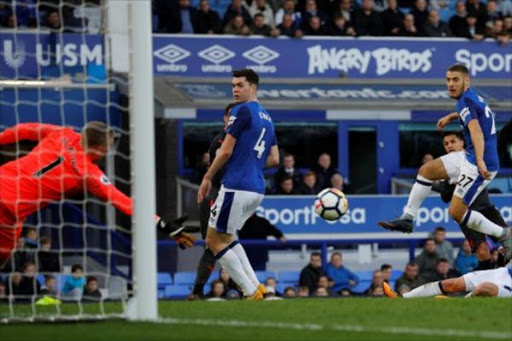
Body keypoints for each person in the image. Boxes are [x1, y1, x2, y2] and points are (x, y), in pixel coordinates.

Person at [0, 121, 194, 269]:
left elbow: (24, 129)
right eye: (108, 147)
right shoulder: (89, 174)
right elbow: (124, 202)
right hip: (9, 211)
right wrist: (162, 224)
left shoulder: (63, 133)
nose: (107, 151)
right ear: (99, 150)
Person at [378, 64, 512, 262]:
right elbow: (477, 117)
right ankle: (408, 218)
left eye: (455, 80)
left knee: (456, 212)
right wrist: (451, 116)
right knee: (426, 170)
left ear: (466, 81)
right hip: (470, 156)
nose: (450, 84)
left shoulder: (465, 100)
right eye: (448, 80)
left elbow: (476, 132)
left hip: (478, 163)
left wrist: (481, 161)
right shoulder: (472, 98)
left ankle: (505, 236)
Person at [197, 68, 280, 300]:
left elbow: (225, 151)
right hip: (257, 188)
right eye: (233, 85)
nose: (235, 89)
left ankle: (249, 290)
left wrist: (207, 177)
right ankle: (258, 287)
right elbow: (274, 159)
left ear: (253, 87)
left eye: (240, 85)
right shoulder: (267, 116)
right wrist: (251, 163)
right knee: (229, 238)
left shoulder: (241, 110)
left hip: (236, 185)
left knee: (213, 241)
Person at [430, 131, 509, 270]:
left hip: (487, 209)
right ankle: (486, 284)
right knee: (482, 252)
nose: (449, 146)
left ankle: (501, 269)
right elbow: (445, 197)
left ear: (462, 143)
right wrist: (453, 184)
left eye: (453, 142)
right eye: (446, 144)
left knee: (509, 240)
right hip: (466, 214)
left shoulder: (475, 158)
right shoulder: (445, 168)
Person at [190, 103, 236, 299]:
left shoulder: (236, 138)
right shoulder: (221, 141)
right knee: (215, 245)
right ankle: (199, 290)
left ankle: (199, 291)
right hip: (216, 197)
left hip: (225, 196)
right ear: (225, 118)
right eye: (232, 117)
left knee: (224, 244)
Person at [383, 267, 512, 299]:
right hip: (504, 272)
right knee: (451, 284)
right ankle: (401, 298)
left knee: (483, 288)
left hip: (509, 283)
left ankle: (462, 303)